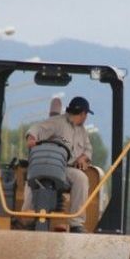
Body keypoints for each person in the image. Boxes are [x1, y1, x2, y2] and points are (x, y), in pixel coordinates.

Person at [22, 96, 93, 232]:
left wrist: (83, 158)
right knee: (32, 175)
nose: (86, 118)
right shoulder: (57, 122)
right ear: (83, 113)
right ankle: (28, 217)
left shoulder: (82, 131)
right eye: (86, 114)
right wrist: (32, 139)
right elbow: (37, 128)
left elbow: (88, 150)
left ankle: (76, 223)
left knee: (81, 178)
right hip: (46, 164)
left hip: (65, 169)